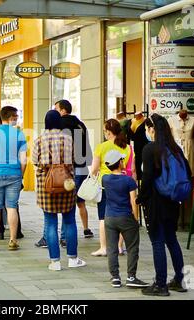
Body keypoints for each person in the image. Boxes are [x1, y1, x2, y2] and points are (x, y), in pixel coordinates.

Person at [137, 113, 190, 297]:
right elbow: (188, 172)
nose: (146, 132)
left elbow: (147, 177)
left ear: (151, 129)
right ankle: (179, 280)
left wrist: (139, 198)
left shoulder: (150, 149)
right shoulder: (175, 149)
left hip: (155, 202)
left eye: (146, 129)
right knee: (171, 240)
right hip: (173, 201)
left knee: (157, 242)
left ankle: (160, 284)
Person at [32, 110, 86, 271]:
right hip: (67, 184)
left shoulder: (39, 140)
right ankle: (72, 259)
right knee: (69, 221)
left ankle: (55, 262)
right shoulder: (68, 139)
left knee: (50, 223)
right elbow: (77, 160)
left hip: (46, 185)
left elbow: (35, 161)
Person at [37, 99, 93, 248]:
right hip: (76, 171)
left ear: (62, 111)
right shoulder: (80, 124)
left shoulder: (59, 129)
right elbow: (82, 152)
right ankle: (70, 241)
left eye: (56, 109)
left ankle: (49, 241)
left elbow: (37, 161)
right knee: (73, 207)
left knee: (50, 215)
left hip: (54, 177)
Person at [0, 106, 27, 251]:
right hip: (14, 173)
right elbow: (24, 160)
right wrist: (21, 176)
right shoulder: (19, 134)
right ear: (12, 117)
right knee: (12, 207)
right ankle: (13, 240)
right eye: (16, 116)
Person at [102, 150, 148, 288]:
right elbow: (133, 201)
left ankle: (115, 277)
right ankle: (131, 277)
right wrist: (136, 218)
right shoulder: (128, 180)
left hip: (109, 217)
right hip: (125, 217)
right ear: (120, 163)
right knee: (132, 247)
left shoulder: (105, 179)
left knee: (112, 248)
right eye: (122, 160)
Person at [90, 119, 135, 257]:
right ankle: (119, 246)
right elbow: (131, 169)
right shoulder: (127, 147)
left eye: (104, 131)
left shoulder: (101, 147)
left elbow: (94, 169)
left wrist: (93, 174)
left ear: (108, 132)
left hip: (106, 185)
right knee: (121, 215)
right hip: (123, 184)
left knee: (103, 217)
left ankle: (104, 247)